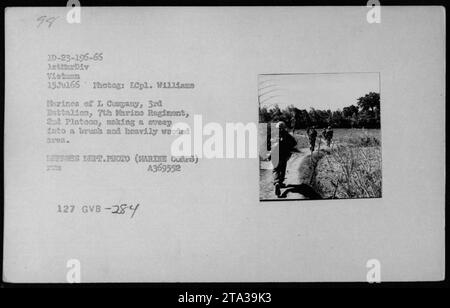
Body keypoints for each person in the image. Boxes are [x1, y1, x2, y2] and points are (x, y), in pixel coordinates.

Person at [268, 121, 297, 197]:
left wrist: (269, 155)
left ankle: (277, 182)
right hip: (284, 155)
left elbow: (270, 146)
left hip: (275, 155)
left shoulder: (274, 135)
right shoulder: (287, 135)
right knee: (282, 169)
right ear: (284, 128)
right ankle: (280, 182)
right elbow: (294, 143)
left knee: (276, 169)